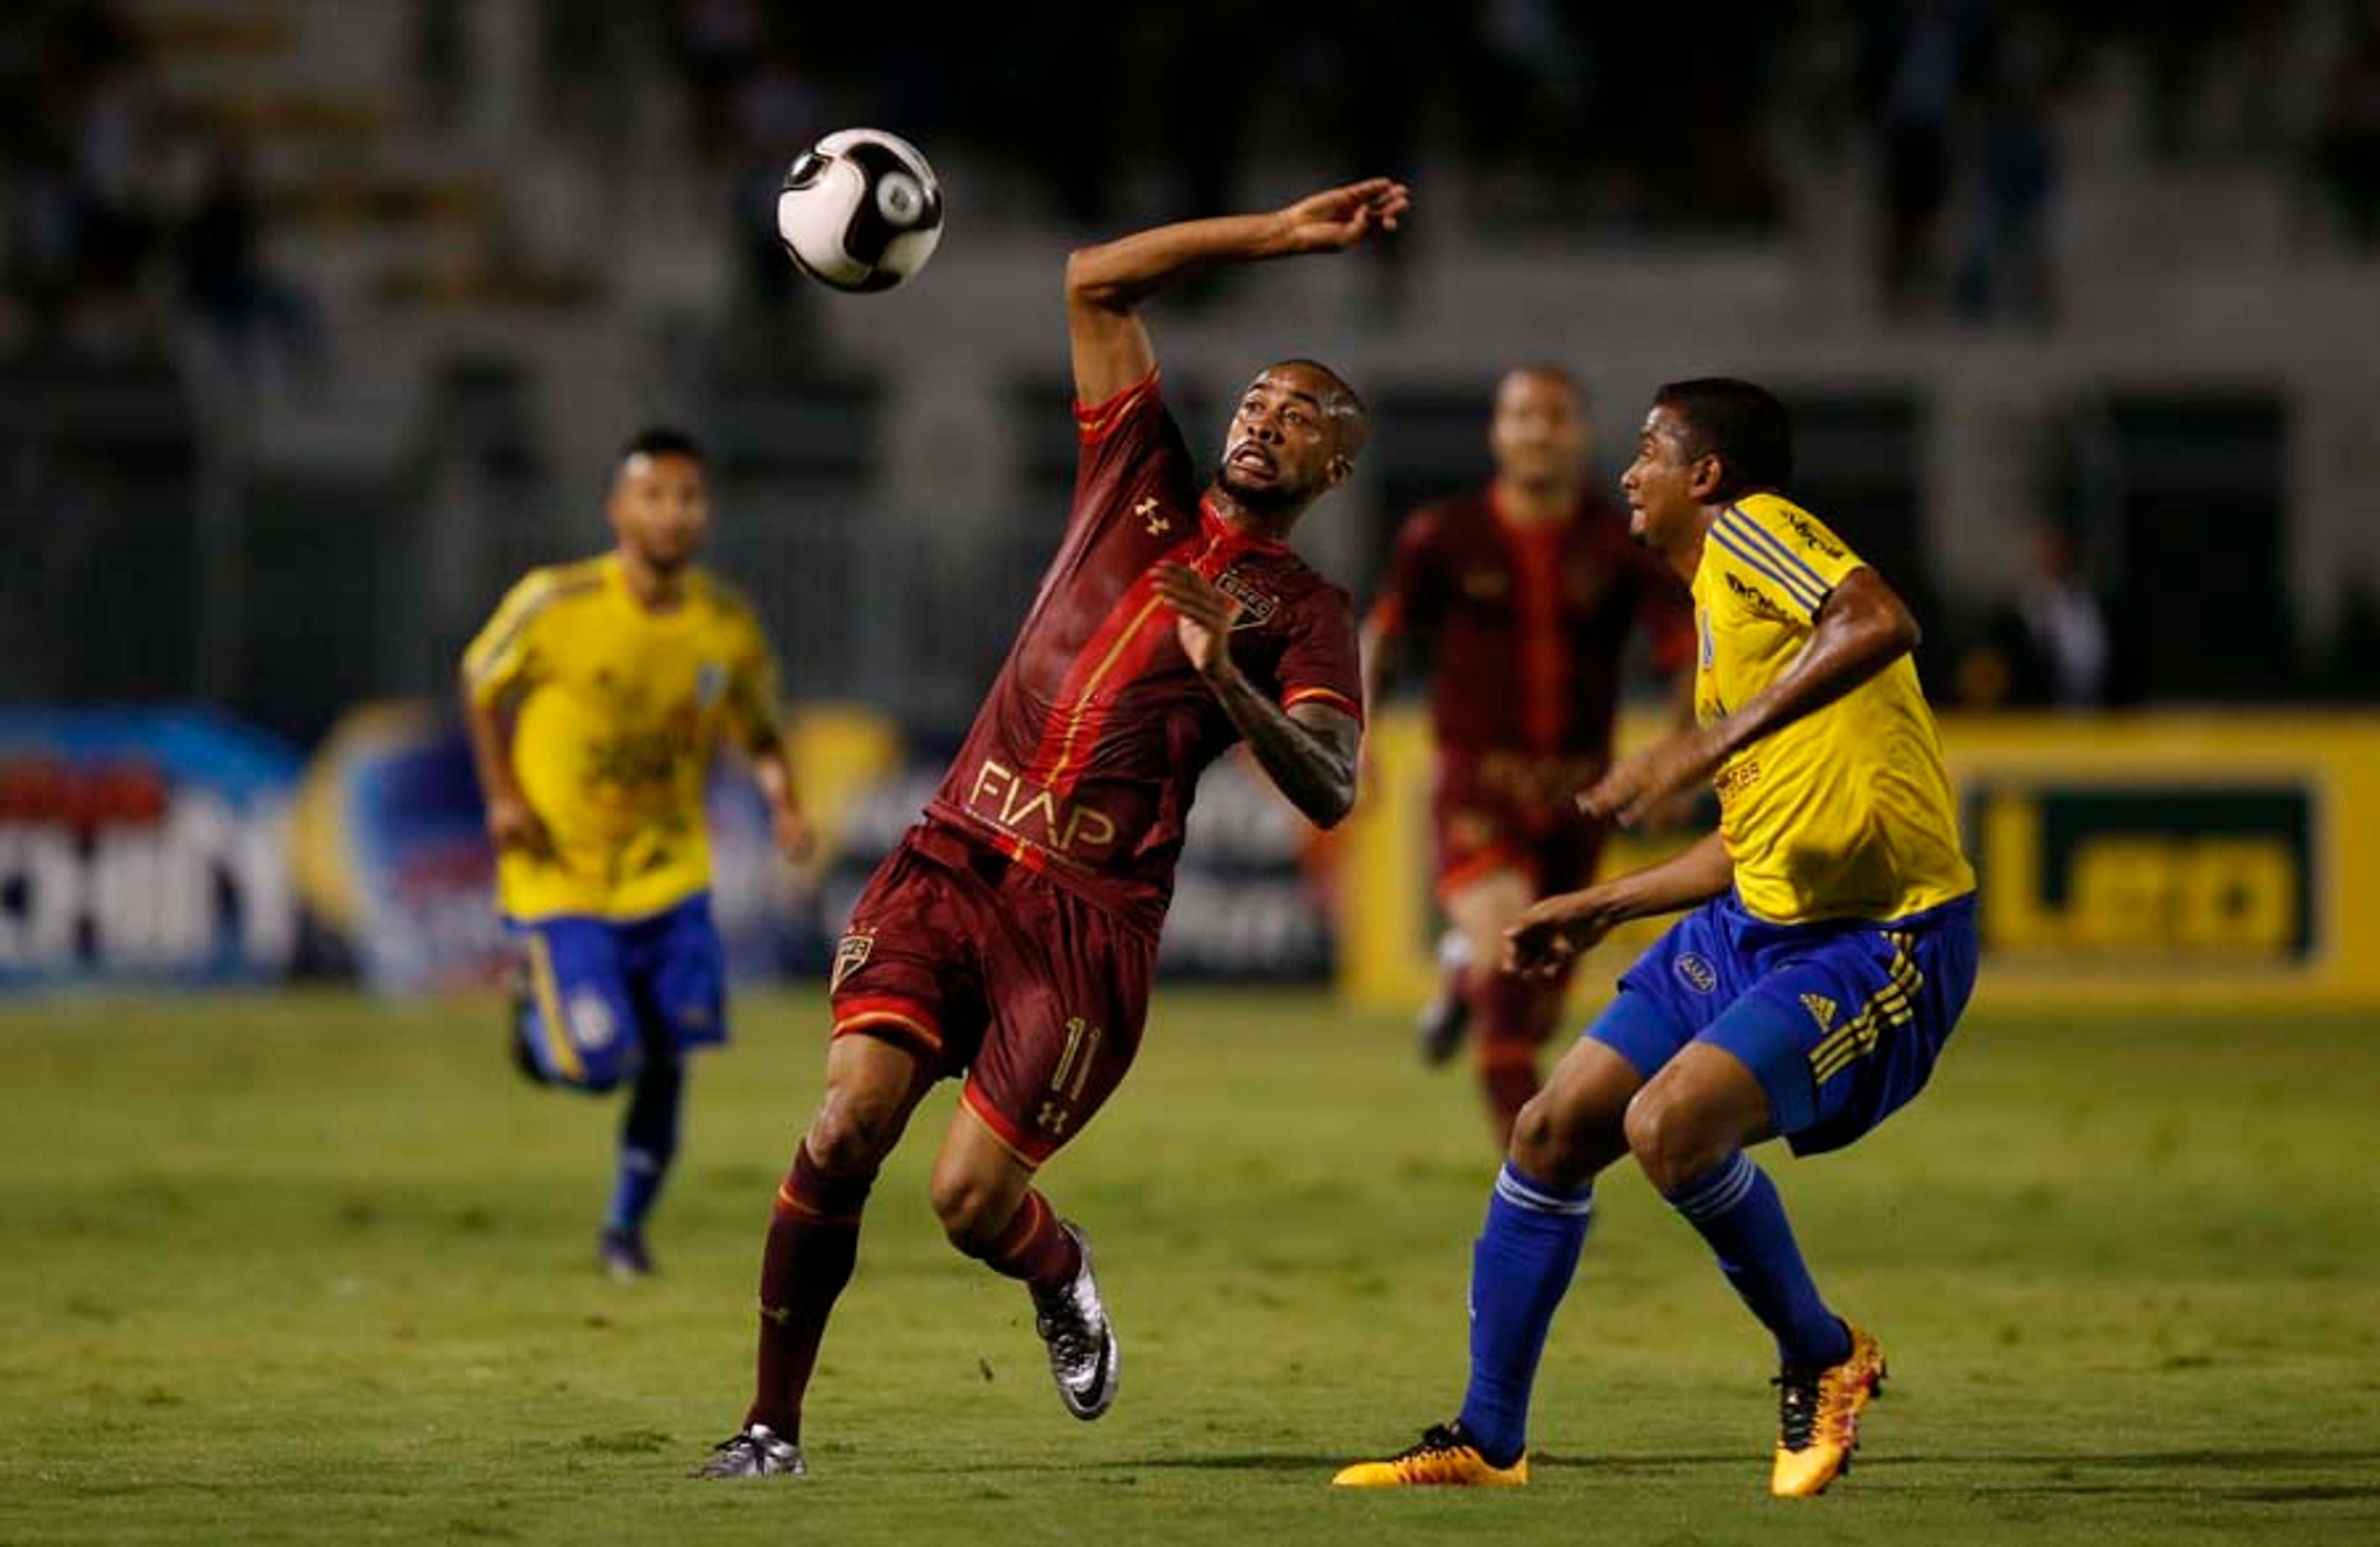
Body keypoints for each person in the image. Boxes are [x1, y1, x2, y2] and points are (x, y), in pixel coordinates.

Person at [696, 177, 1409, 1479]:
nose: (1264, 420)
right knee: (848, 1122)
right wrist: (1272, 234)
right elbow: (1092, 275)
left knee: (968, 1202)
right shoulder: (1133, 478)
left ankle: (1056, 1266)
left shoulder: (1307, 611)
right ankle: (769, 1430)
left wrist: (1226, 675)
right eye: (1255, 400)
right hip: (956, 855)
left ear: (1334, 468)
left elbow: (1334, 785)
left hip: (1086, 926)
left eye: (1301, 417)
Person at [1335, 378, 1978, 1497]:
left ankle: (1826, 1355)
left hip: (1882, 939)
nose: (1627, 473)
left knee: (1668, 1127)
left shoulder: (1756, 531)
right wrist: (1602, 905)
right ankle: (1489, 1440)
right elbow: (1751, 843)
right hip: (1755, 924)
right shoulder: (1721, 624)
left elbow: (1880, 619)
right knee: (1549, 1129)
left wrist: (1703, 741)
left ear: (1707, 476)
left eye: (1648, 451)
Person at [460, 427, 813, 1280]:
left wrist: (783, 798)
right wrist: (504, 794)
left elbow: (759, 729)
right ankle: (534, 1026)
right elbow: (479, 683)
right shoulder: (557, 603)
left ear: (706, 512)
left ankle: (624, 1229)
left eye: (688, 497)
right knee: (595, 1065)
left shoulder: (723, 625)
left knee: (670, 1053)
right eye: (654, 496)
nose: (673, 513)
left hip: (669, 874)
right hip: (562, 873)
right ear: (618, 508)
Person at [1363, 365, 1695, 1144]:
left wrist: (1682, 751)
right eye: (1522, 416)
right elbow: (1382, 636)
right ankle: (1535, 1169)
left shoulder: (1618, 543)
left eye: (1555, 416)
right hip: (1482, 789)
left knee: (1537, 997)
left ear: (1580, 432)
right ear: (1497, 432)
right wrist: (1359, 737)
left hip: (1581, 799)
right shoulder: (1444, 536)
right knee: (1513, 981)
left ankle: (1459, 974)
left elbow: (1687, 649)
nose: (1538, 431)